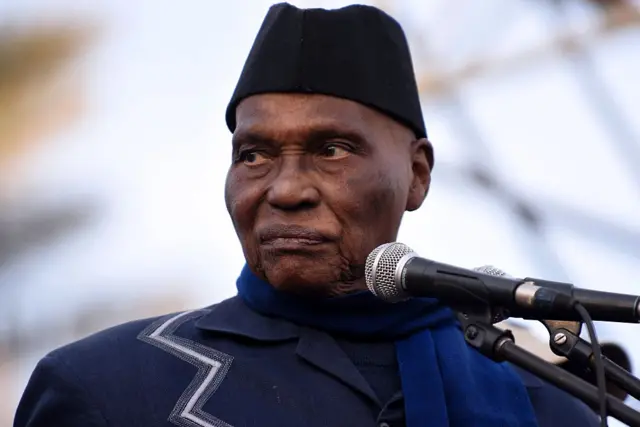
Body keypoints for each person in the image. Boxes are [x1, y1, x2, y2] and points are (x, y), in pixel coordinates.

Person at [14, 3, 601, 427]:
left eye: (331, 150)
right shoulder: (110, 387)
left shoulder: (544, 400)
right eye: (254, 155)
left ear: (417, 175)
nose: (286, 189)